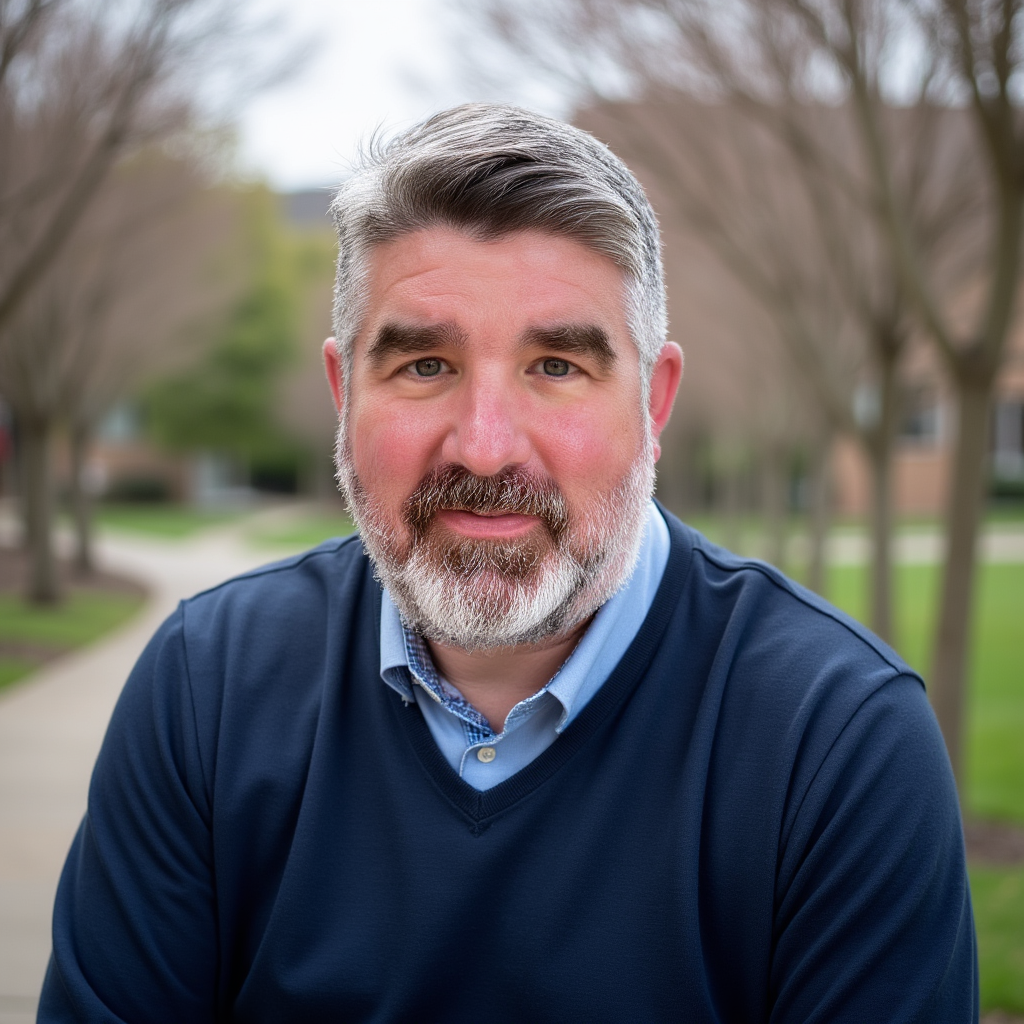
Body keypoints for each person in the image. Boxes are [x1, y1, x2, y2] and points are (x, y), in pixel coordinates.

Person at [40, 104, 976, 1023]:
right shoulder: (207, 688)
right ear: (342, 392)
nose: (485, 450)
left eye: (557, 366)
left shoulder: (838, 740)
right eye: (425, 366)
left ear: (653, 404)